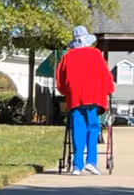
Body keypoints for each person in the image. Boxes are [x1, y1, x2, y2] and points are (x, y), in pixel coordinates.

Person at [56, 25, 115, 176]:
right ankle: (91, 161)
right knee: (93, 127)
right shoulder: (95, 54)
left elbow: (60, 80)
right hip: (93, 96)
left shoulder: (67, 57)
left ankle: (77, 165)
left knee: (77, 129)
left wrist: (66, 92)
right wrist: (109, 89)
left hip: (75, 98)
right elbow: (105, 75)